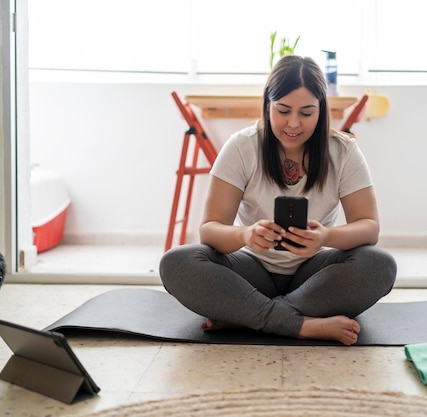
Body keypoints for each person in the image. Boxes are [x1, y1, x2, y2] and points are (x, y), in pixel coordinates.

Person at [159, 55, 396, 346]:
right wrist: (246, 234)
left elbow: (369, 227)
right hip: (250, 272)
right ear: (267, 105)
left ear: (321, 110)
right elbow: (209, 229)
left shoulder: (343, 151)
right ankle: (302, 325)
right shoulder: (242, 146)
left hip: (314, 276)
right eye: (283, 111)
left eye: (306, 113)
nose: (293, 124)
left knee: (380, 264)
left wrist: (325, 236)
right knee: (176, 263)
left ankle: (245, 316)